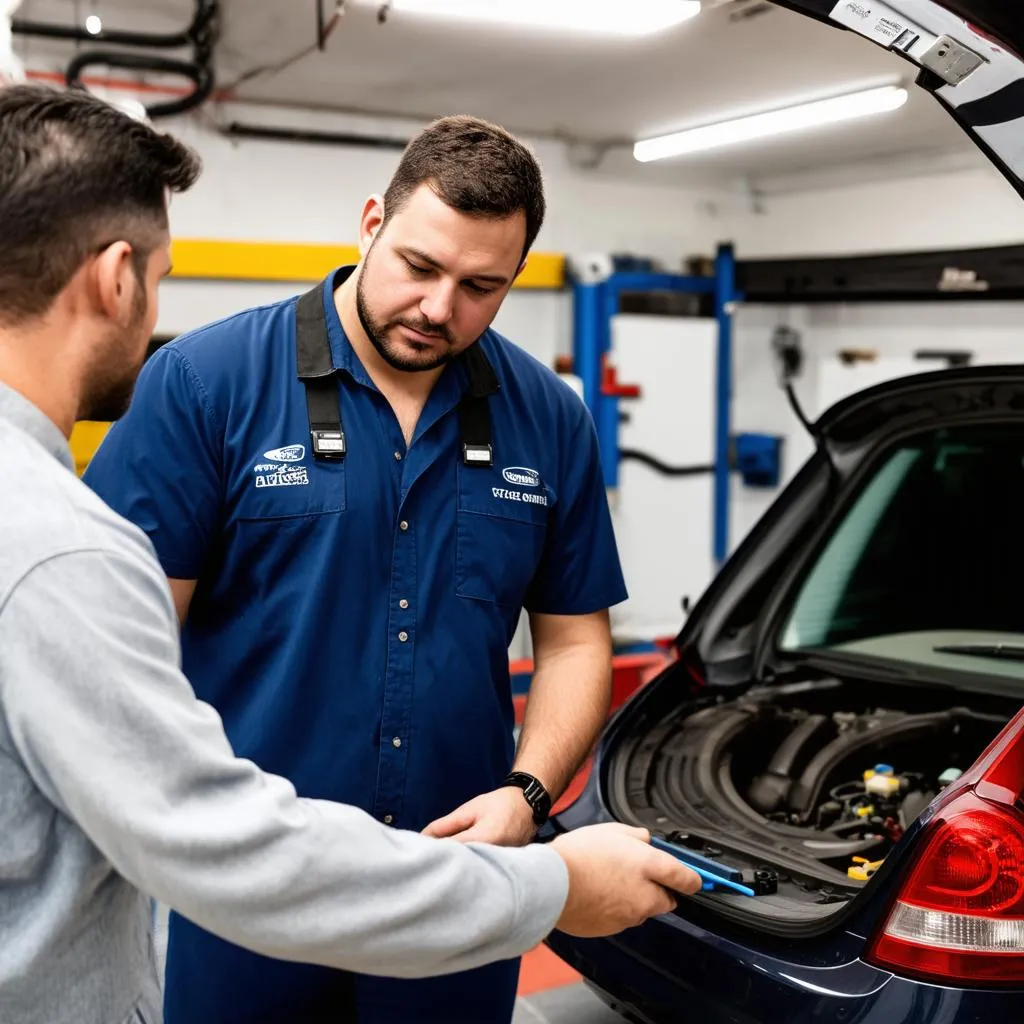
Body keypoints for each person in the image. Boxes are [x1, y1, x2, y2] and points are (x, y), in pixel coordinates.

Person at [0, 83, 704, 1024]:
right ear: (370, 222)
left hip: (462, 880)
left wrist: (528, 798)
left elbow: (576, 640)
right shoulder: (204, 386)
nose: (438, 306)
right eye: (418, 264)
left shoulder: (550, 418)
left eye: (481, 287)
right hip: (244, 891)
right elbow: (129, 646)